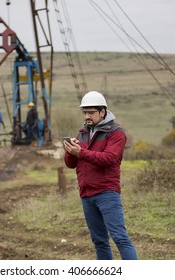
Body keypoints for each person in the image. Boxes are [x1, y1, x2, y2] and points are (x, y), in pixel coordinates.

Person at [63, 91, 137, 260]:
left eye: (91, 112)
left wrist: (81, 152)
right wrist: (69, 151)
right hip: (86, 194)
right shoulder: (82, 132)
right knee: (99, 241)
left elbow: (109, 159)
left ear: (102, 112)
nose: (87, 116)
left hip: (106, 192)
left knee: (120, 238)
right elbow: (71, 164)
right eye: (84, 112)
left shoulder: (116, 133)